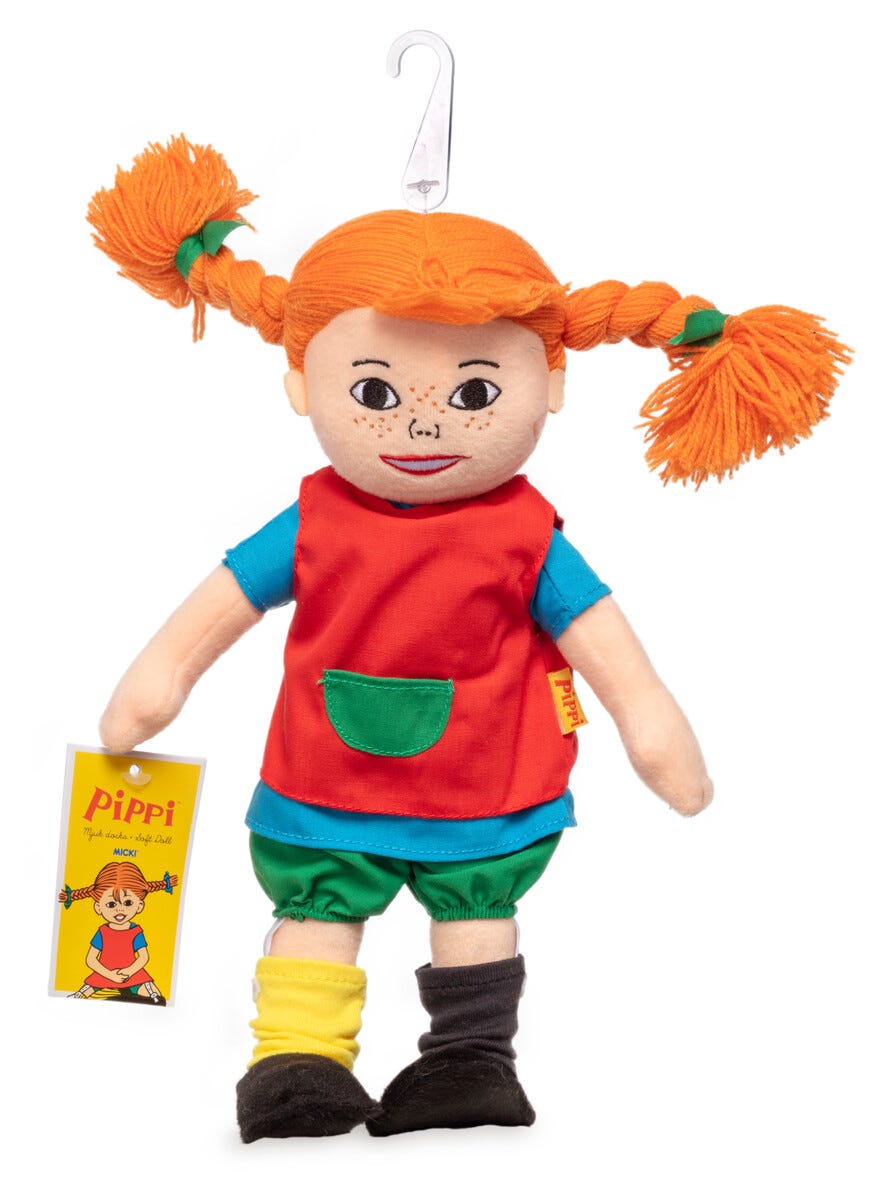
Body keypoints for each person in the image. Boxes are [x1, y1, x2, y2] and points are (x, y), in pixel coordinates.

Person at [88, 136, 848, 1140]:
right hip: (327, 781)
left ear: (550, 384)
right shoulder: (314, 520)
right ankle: (297, 1065)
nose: (420, 426)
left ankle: (469, 1062)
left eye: (475, 392)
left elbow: (610, 652)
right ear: (301, 384)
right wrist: (150, 694)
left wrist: (653, 733)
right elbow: (213, 611)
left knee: (472, 907)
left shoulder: (523, 532)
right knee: (319, 907)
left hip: (486, 782)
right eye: (374, 392)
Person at [60, 862, 177, 1004]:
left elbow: (143, 956)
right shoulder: (102, 932)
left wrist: (129, 971)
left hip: (132, 975)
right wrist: (110, 975)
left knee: (157, 999)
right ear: (98, 907)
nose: (119, 910)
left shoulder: (135, 932)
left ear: (139, 905)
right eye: (111, 904)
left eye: (128, 903)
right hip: (104, 974)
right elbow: (91, 959)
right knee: (76, 999)